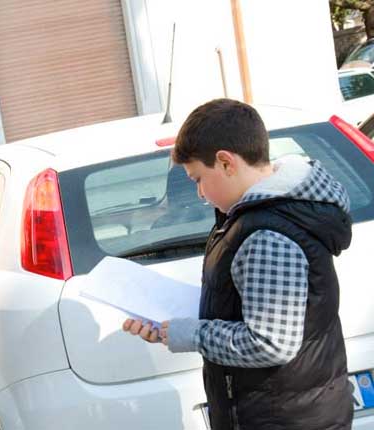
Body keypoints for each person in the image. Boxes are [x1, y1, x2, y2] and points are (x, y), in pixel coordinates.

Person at [123, 99, 354, 430]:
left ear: (226, 162)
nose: (200, 193)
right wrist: (170, 327)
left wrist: (191, 333)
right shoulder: (262, 216)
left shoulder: (266, 233)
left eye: (198, 178)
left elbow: (270, 343)